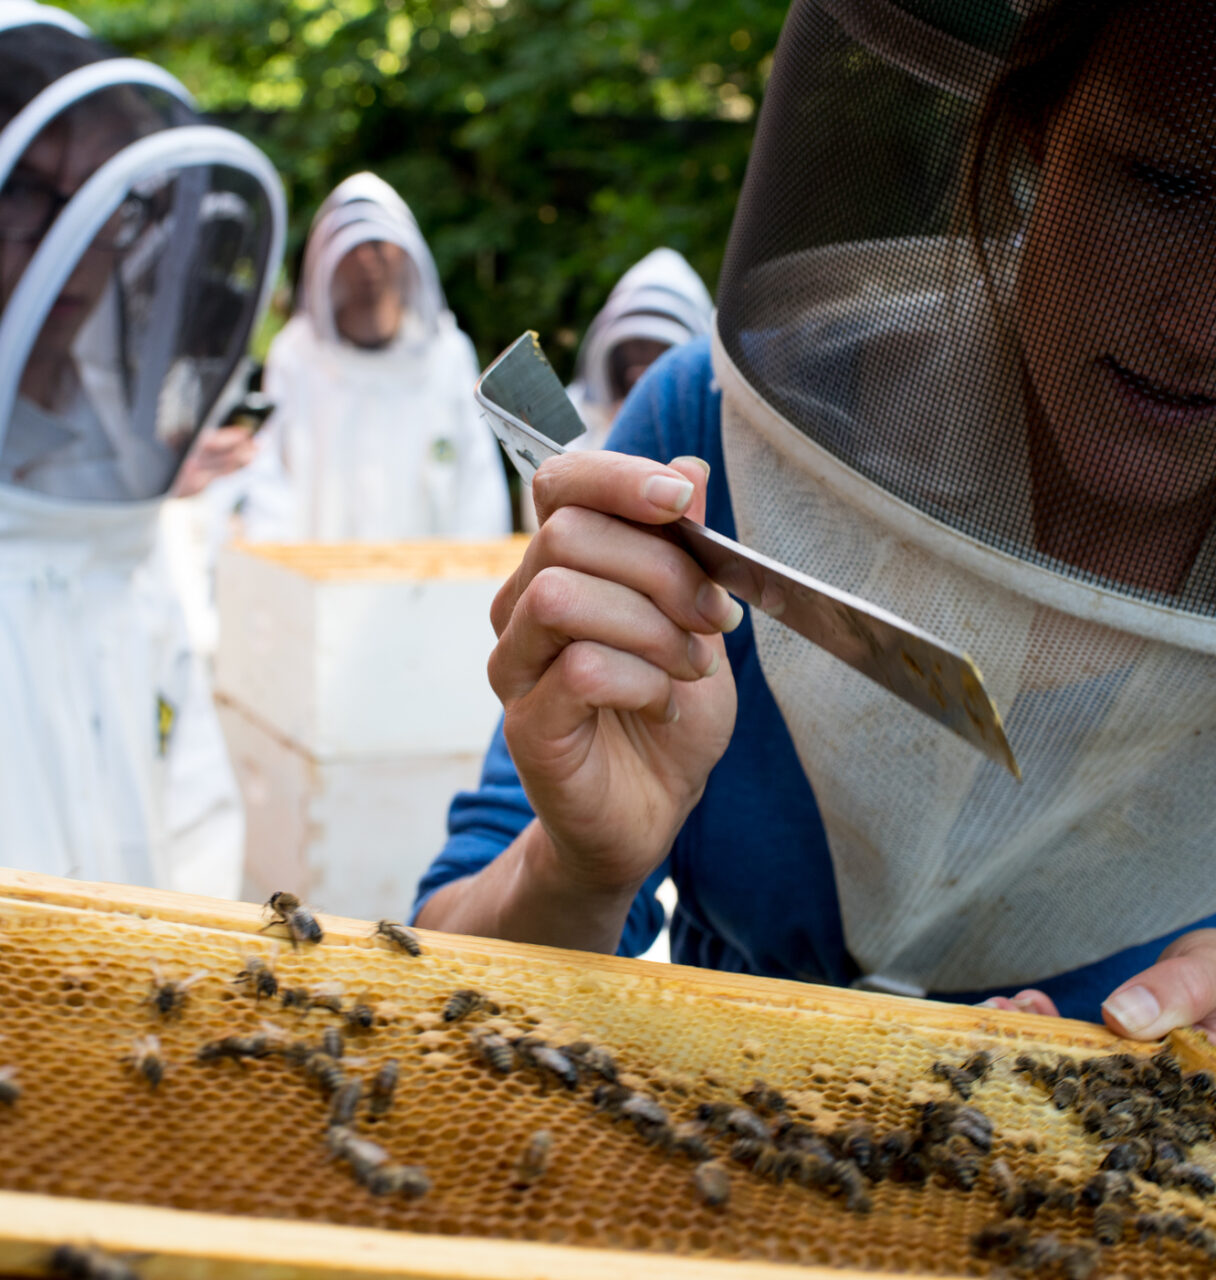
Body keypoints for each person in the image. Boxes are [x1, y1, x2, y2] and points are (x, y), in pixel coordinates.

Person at [415, 0, 1216, 1043]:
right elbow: (441, 976)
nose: (1196, 324)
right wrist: (573, 866)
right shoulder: (729, 430)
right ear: (1032, 122)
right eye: (1162, 182)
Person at [0, 1, 285, 896]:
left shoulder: (110, 506)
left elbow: (193, 813)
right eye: (19, 190)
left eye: (107, 199)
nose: (76, 238)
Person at [238, 172, 511, 543]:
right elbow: (270, 478)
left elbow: (478, 484)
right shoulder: (296, 354)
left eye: (380, 244)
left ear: (405, 250)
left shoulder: (447, 354)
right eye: (354, 246)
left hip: (428, 583)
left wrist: (472, 584)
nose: (368, 259)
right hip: (321, 580)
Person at [520, 247, 712, 531]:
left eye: (658, 351)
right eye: (636, 347)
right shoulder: (573, 415)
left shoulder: (717, 422)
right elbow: (544, 515)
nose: (643, 371)